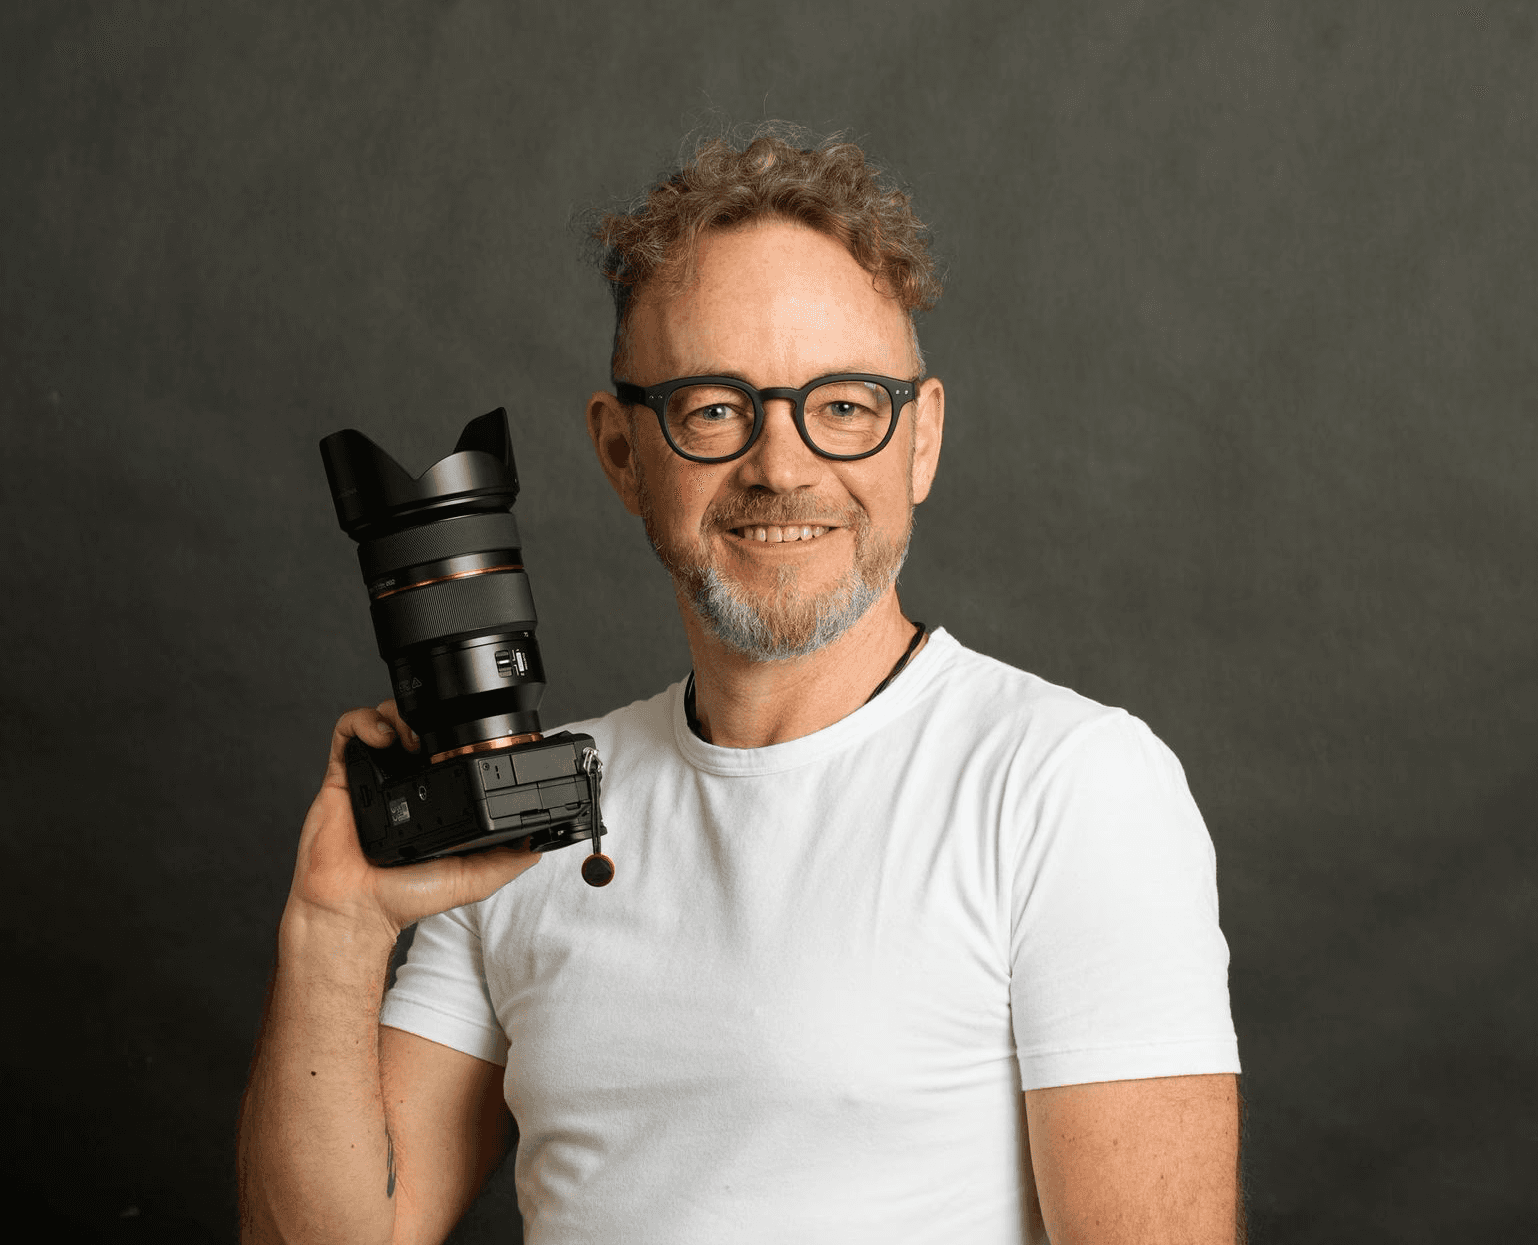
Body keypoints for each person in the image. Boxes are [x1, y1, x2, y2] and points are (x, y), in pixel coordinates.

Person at [238, 126, 1243, 1244]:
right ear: (622, 452)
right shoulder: (525, 816)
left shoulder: (1065, 788)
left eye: (847, 405)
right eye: (714, 408)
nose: (782, 465)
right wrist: (332, 928)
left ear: (921, 442)